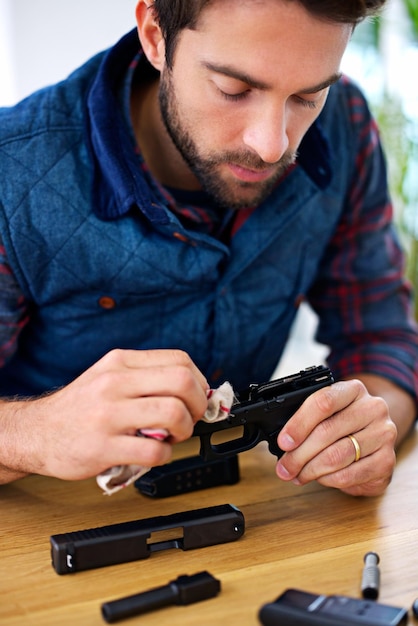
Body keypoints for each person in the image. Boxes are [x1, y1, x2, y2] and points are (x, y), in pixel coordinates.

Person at [0, 0, 417, 496]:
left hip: (248, 519)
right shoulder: (12, 173)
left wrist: (368, 424)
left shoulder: (345, 122)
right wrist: (29, 434)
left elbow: (384, 337)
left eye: (308, 96)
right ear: (155, 35)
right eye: (233, 89)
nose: (271, 144)